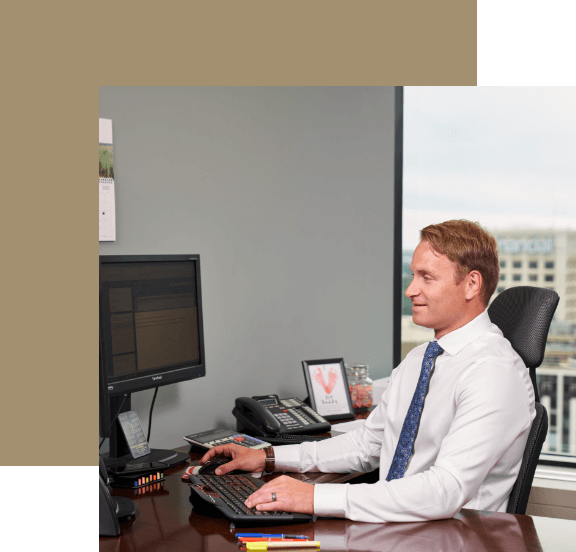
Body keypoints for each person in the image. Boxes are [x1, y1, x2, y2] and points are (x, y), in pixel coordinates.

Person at [199, 220, 536, 522]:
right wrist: (268, 458)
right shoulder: (421, 359)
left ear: (472, 284)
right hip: (400, 527)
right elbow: (367, 444)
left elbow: (444, 491)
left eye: (427, 278)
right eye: (413, 275)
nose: (410, 290)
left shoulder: (494, 373)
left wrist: (314, 496)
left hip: (450, 537)